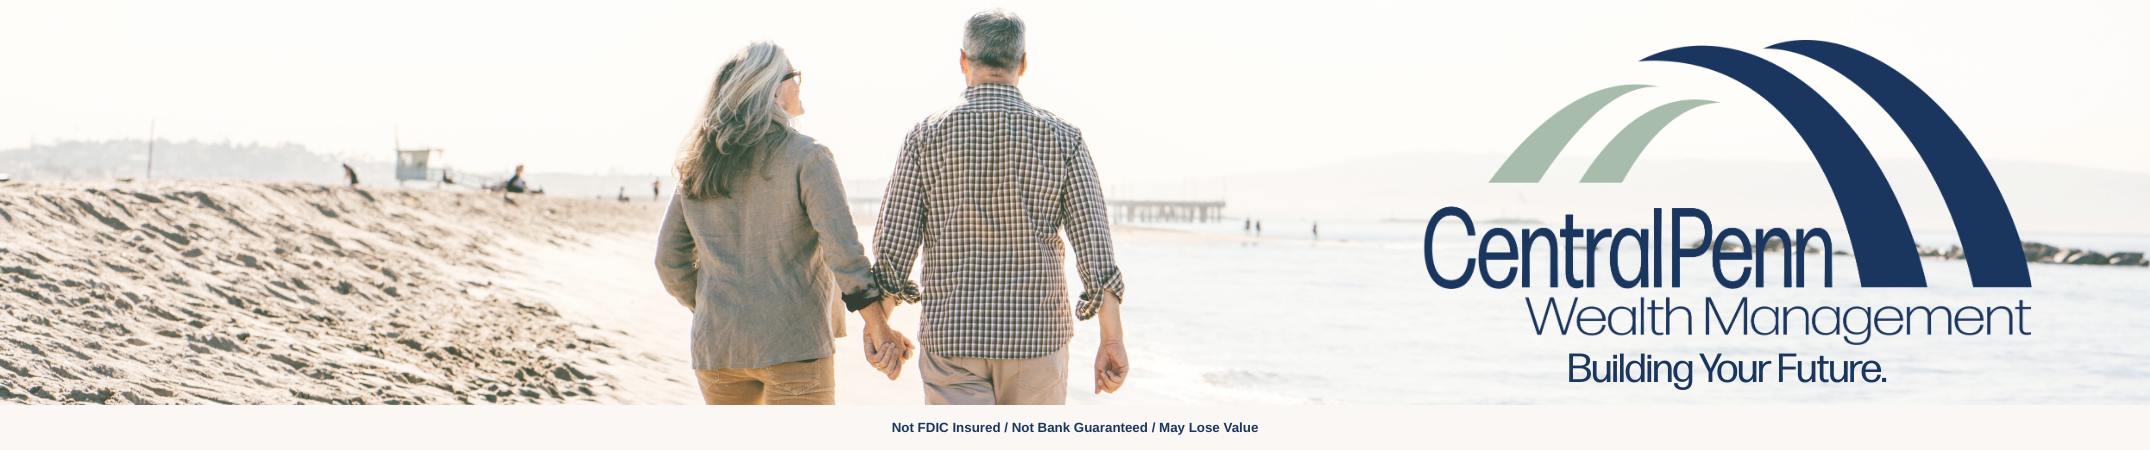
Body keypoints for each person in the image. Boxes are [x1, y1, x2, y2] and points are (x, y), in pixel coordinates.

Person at [870, 9, 1128, 405]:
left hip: (953, 340)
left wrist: (879, 330)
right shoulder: (1064, 139)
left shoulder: (924, 138)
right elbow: (1095, 248)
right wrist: (1112, 339)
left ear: (963, 60)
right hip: (1037, 340)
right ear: (1022, 64)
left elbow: (894, 251)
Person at [654, 41, 912, 405]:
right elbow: (845, 254)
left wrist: (716, 306)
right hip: (795, 345)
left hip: (718, 349)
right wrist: (879, 328)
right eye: (793, 75)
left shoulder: (698, 163)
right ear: (772, 91)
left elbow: (668, 261)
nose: (799, 83)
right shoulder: (809, 156)